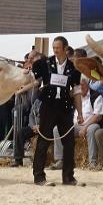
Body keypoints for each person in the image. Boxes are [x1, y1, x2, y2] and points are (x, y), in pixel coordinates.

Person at [31, 36, 83, 186]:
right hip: (48, 107)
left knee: (69, 143)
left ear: (66, 49)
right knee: (43, 141)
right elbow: (32, 77)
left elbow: (77, 91)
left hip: (65, 108)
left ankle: (68, 177)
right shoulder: (44, 64)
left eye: (58, 48)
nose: (55, 50)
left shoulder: (73, 68)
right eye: (54, 48)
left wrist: (79, 113)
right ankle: (39, 177)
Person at [74, 77, 103, 167]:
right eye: (78, 86)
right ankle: (61, 160)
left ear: (88, 85)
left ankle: (92, 162)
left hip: (91, 124)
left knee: (92, 130)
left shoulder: (96, 96)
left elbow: (98, 116)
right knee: (58, 129)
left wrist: (85, 127)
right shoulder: (75, 96)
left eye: (82, 85)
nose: (80, 88)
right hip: (75, 125)